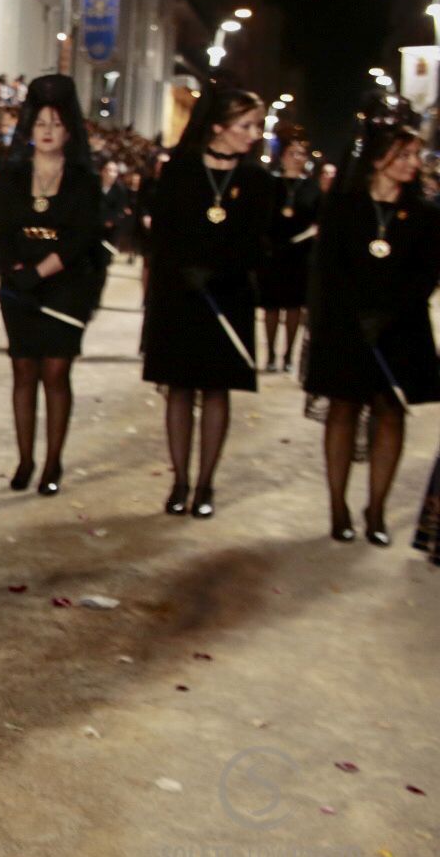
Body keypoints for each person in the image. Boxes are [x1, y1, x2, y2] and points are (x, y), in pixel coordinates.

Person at [141, 84, 276, 519]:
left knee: (217, 389)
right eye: (246, 125)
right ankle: (179, 480)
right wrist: (183, 269)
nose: (254, 134)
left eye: (256, 125)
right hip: (179, 294)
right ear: (217, 126)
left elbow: (259, 242)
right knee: (179, 388)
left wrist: (218, 271)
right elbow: (162, 232)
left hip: (228, 295)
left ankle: (205, 484)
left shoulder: (257, 181)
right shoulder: (180, 170)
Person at [303, 118, 439, 546]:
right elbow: (328, 269)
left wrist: (390, 313)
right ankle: (338, 505)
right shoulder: (345, 206)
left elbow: (427, 273)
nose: (413, 163)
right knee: (343, 409)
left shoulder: (425, 213)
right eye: (404, 155)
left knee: (390, 412)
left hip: (400, 327)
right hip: (346, 326)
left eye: (416, 155)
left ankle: (376, 508)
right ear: (378, 159)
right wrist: (352, 314)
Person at [0, 76, 102, 495]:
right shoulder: (13, 175)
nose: (47, 131)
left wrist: (38, 271)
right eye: (40, 123)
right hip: (19, 286)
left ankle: (53, 462)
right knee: (23, 370)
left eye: (56, 124)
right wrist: (15, 271)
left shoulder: (83, 181)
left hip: (66, 286)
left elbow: (79, 238)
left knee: (55, 372)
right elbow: (2, 229)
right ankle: (24, 460)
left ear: (69, 131)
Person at [259, 131, 317, 372]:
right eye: (291, 153)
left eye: (301, 154)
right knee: (271, 306)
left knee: (294, 307)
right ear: (282, 157)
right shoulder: (271, 185)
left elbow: (318, 218)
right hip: (274, 252)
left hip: (299, 255)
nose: (296, 158)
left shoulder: (312, 188)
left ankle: (289, 356)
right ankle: (271, 354)